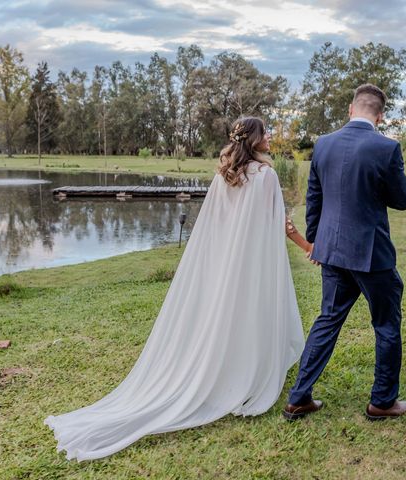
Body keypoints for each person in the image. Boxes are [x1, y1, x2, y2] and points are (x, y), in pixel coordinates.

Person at [45, 117, 307, 461]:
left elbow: (214, 225)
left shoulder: (224, 175)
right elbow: (279, 224)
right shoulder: (266, 176)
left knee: (226, 315)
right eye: (267, 132)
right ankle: (245, 375)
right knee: (249, 313)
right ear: (255, 139)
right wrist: (307, 245)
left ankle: (225, 370)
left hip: (224, 262)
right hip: (253, 262)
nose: (271, 136)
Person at [284, 84, 406, 421]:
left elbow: (315, 199)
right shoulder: (386, 148)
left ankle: (298, 397)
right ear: (380, 115)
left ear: (350, 109)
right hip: (372, 255)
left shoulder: (323, 144)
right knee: (386, 324)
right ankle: (382, 402)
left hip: (333, 251)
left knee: (327, 319)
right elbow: (402, 200)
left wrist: (316, 242)